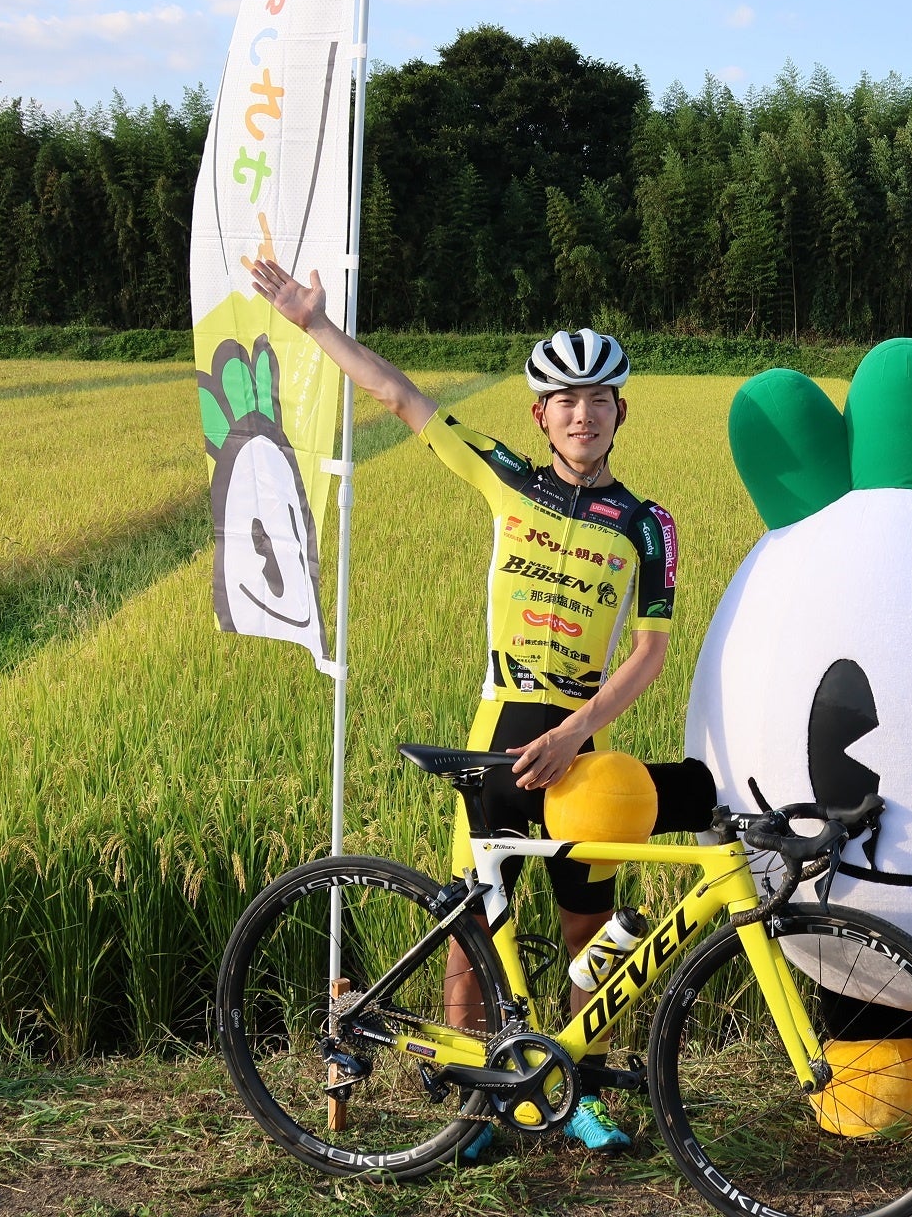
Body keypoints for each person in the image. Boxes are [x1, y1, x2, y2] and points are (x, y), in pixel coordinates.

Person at [247, 260, 711, 1157]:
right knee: (472, 938)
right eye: (565, 401)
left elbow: (650, 650)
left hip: (584, 742)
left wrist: (577, 731)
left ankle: (570, 1090)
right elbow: (400, 396)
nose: (584, 414)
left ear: (621, 412)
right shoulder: (509, 480)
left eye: (600, 399)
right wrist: (312, 322)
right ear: (541, 417)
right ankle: (476, 1107)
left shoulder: (646, 525)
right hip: (500, 733)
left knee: (591, 935)